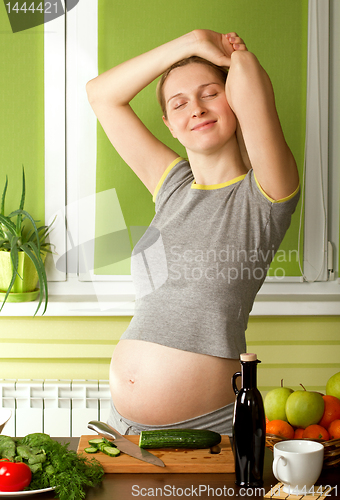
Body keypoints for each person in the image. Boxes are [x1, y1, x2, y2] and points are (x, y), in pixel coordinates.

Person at [86, 30, 300, 435]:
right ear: (169, 124)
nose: (196, 109)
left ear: (234, 99)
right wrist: (192, 42)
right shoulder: (170, 186)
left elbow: (253, 86)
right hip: (121, 428)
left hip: (206, 430)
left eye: (210, 93)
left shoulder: (265, 194)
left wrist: (234, 55)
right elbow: (101, 95)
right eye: (179, 103)